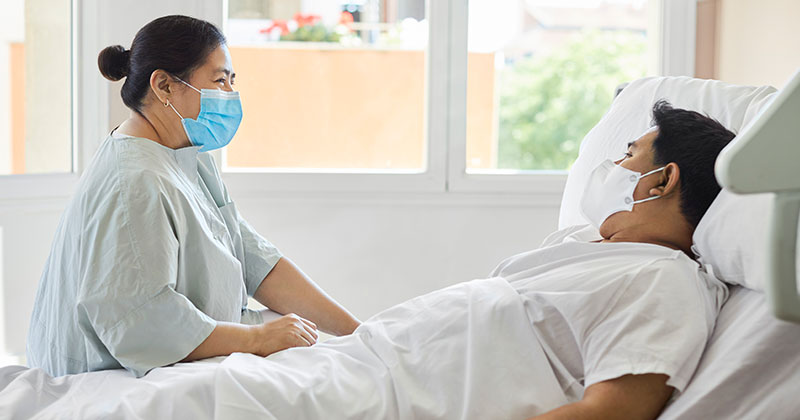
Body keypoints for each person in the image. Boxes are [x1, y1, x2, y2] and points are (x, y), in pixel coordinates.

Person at [210, 101, 736, 420]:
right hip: (350, 368)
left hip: (376, 402)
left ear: (664, 179)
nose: (612, 166)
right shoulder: (587, 247)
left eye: (628, 153)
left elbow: (612, 412)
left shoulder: (665, 282)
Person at [26, 15, 360, 378]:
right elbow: (143, 322)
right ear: (164, 85)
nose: (230, 94)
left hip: (175, 342)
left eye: (233, 81)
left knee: (302, 339)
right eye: (219, 81)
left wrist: (358, 333)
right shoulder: (134, 181)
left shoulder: (185, 154)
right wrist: (256, 339)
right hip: (103, 373)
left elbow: (254, 261)